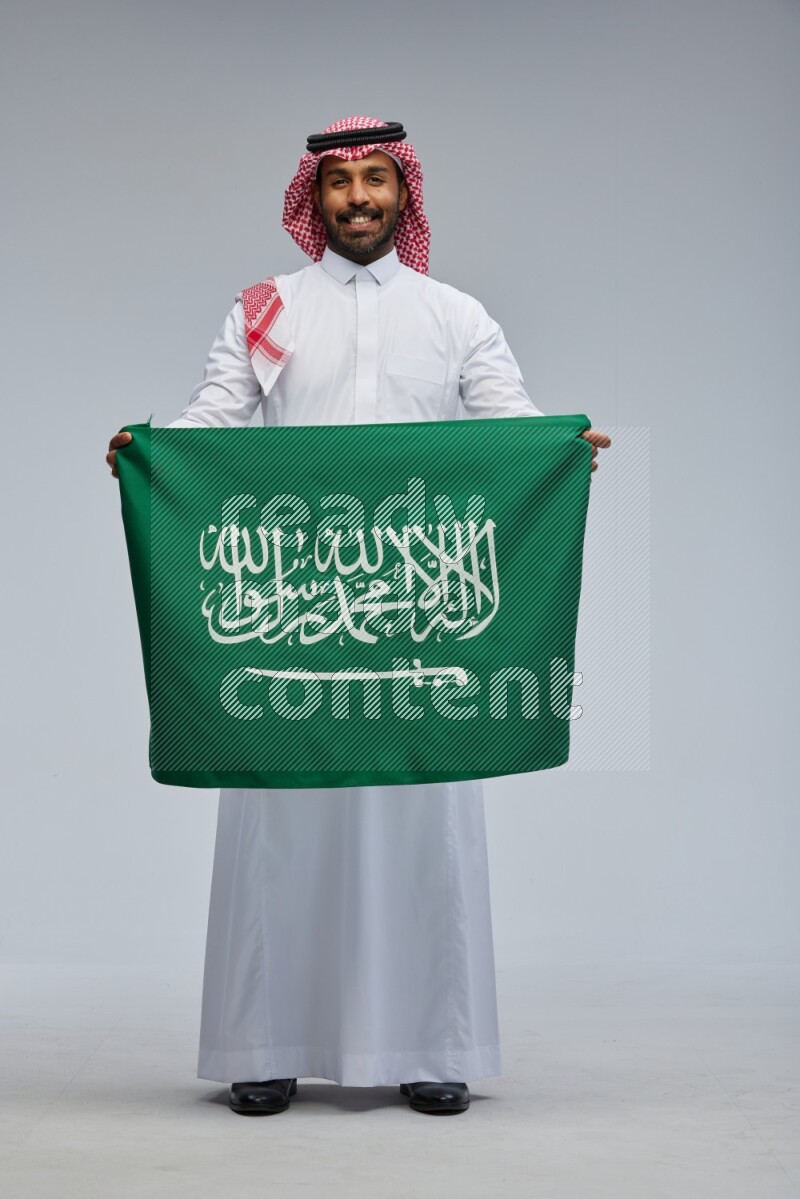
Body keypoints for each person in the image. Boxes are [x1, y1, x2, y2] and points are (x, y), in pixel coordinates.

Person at [107, 116, 611, 1117]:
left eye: (375, 180)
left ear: (402, 193)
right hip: (297, 602)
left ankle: (433, 1045)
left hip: (417, 608)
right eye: (338, 184)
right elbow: (217, 417)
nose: (357, 200)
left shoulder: (455, 314)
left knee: (424, 824)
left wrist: (558, 450)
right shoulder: (266, 309)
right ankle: (264, 1044)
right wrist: (152, 447)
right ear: (314, 197)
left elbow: (506, 421)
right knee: (278, 825)